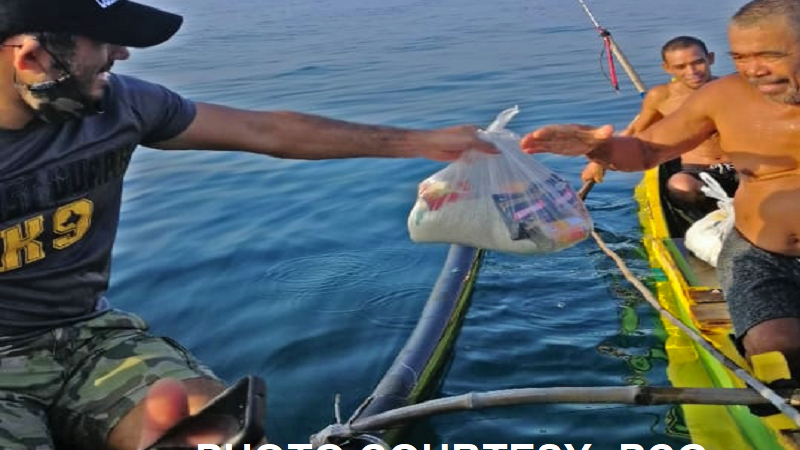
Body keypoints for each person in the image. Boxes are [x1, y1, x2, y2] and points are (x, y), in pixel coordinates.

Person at [0, 0, 497, 449]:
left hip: (88, 339)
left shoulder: (119, 105)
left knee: (218, 435)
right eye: (104, 42)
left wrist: (423, 143)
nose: (122, 54)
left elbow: (268, 130)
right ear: (33, 59)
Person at [521, 0, 800, 386]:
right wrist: (595, 147)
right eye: (741, 57)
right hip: (760, 252)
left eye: (770, 55)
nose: (754, 69)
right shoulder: (723, 96)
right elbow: (648, 149)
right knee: (776, 353)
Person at [581, 36, 738, 221]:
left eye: (698, 62)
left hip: (741, 166)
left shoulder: (732, 89)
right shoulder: (661, 96)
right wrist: (599, 161)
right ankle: (705, 221)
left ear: (710, 58)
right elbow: (635, 132)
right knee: (679, 185)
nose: (692, 71)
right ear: (667, 68)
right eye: (681, 67)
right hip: (698, 169)